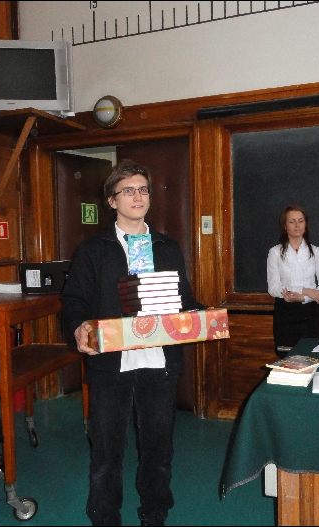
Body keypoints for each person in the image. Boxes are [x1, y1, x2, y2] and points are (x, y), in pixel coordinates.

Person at [61, 160, 205, 526]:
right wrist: (78, 327)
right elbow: (74, 301)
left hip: (159, 361)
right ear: (112, 200)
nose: (137, 196)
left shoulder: (167, 247)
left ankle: (154, 511)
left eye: (142, 189)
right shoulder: (92, 250)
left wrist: (204, 316)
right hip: (111, 362)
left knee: (158, 447)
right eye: (127, 190)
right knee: (107, 450)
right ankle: (104, 515)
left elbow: (183, 299)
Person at [267, 205, 319, 357]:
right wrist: (305, 290)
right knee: (286, 358)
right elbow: (274, 287)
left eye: (300, 221)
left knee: (309, 357)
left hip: (310, 312)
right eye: (292, 221)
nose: (297, 225)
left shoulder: (315, 251)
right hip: (285, 312)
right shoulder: (275, 252)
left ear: (305, 224)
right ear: (285, 226)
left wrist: (305, 297)